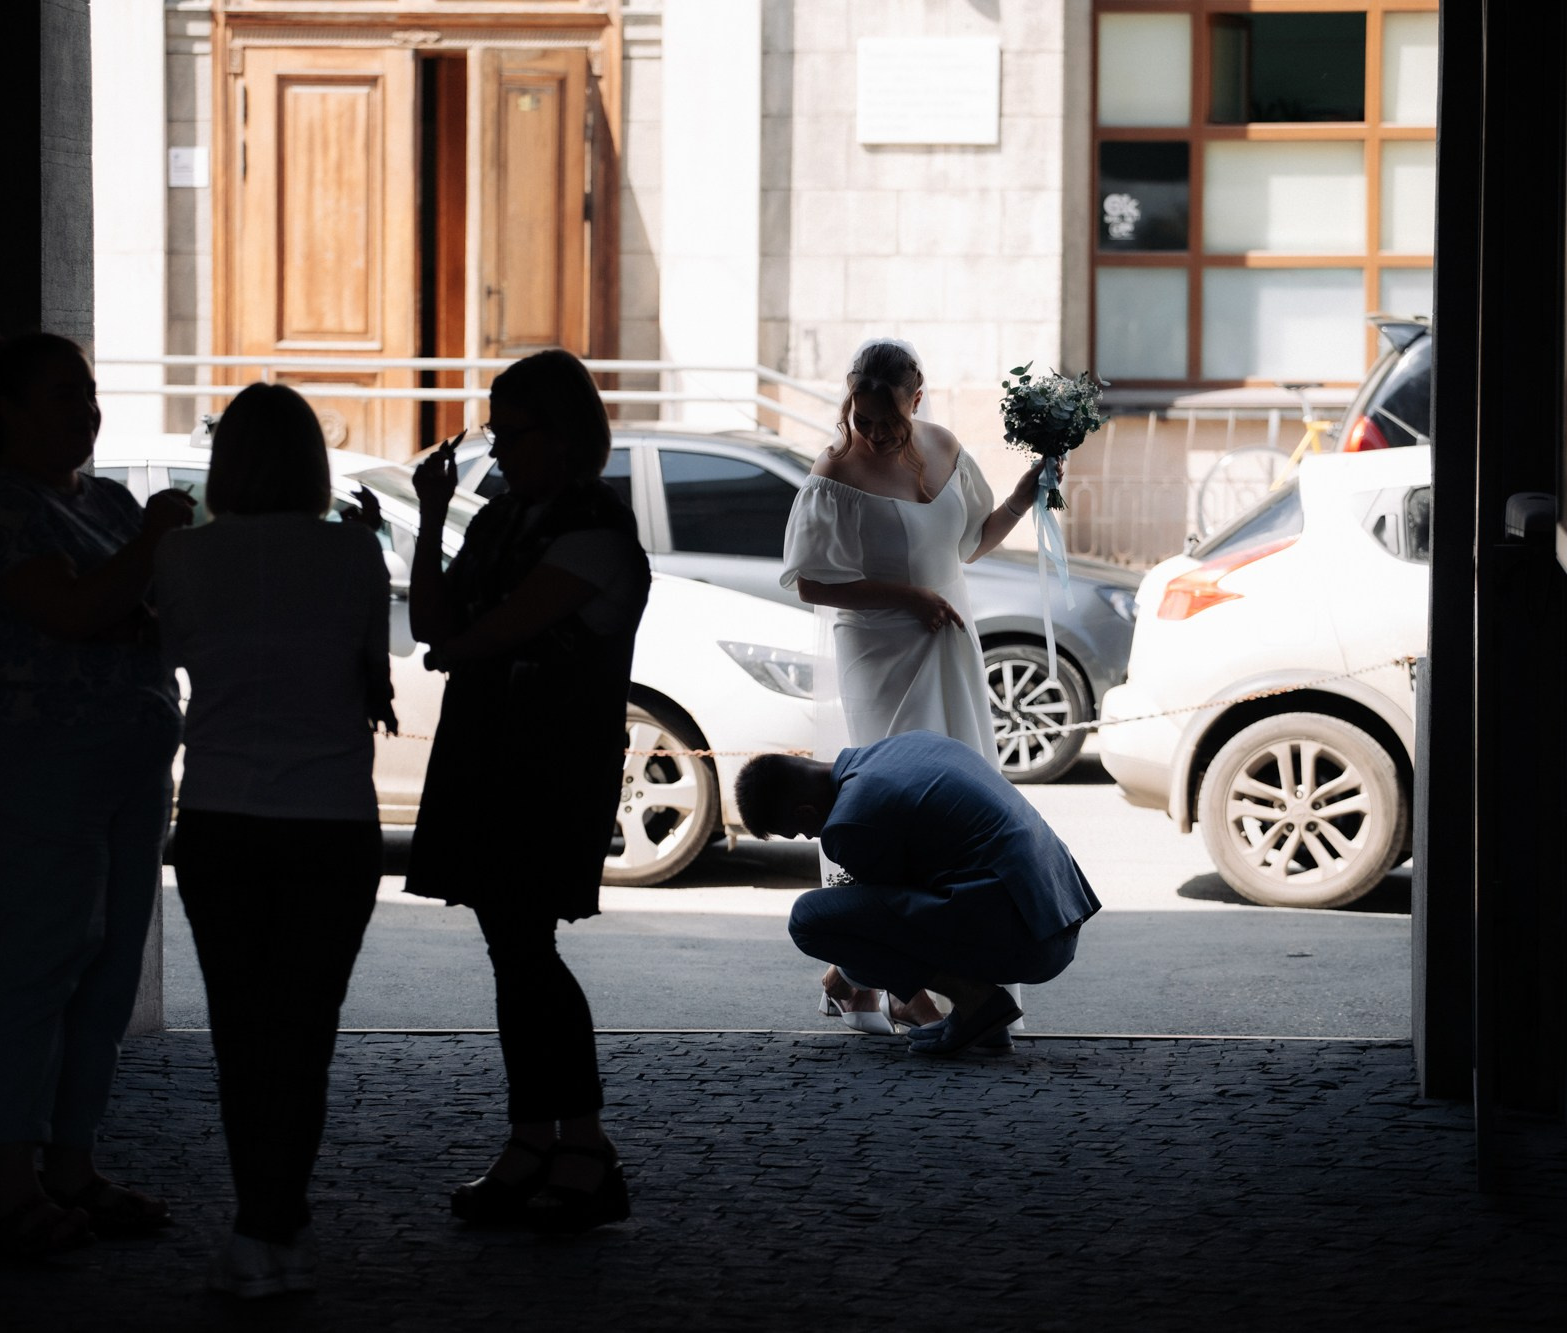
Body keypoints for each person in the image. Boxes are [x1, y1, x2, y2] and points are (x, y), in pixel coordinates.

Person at [0, 332, 194, 1257]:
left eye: (87, 391)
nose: (84, 409)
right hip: (36, 765)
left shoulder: (113, 502)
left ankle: (74, 1164)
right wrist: (155, 550)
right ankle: (14, 1176)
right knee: (44, 958)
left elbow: (151, 615)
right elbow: (76, 611)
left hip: (128, 765)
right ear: (6, 411)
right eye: (59, 394)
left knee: (110, 967)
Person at [152, 383, 396, 1297]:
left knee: (241, 1032)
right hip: (333, 822)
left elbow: (156, 652)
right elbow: (371, 681)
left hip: (220, 817)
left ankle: (264, 1224)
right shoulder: (354, 554)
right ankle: (277, 1220)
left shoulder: (182, 556)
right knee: (305, 1033)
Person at [405, 348, 650, 1234]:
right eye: (498, 432)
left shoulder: (593, 528)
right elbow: (435, 623)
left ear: (565, 433)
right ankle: (541, 1137)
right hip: (490, 749)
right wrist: (432, 517)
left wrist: (460, 643)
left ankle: (576, 1139)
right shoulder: (502, 518)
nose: (500, 449)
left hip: (550, 759)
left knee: (525, 947)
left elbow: (484, 633)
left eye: (515, 431)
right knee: (512, 947)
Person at [780, 338, 1050, 1034]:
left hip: (948, 644)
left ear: (917, 400)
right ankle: (899, 981)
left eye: (887, 421)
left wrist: (1026, 495)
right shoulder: (835, 472)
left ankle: (857, 977)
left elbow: (968, 543)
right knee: (902, 816)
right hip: (881, 653)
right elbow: (810, 578)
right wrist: (905, 597)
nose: (871, 433)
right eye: (861, 418)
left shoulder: (948, 447)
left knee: (959, 806)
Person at [735, 731, 1101, 1056]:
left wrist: (844, 972)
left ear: (804, 810)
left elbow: (881, 927)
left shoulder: (849, 821)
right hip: (1059, 917)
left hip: (1029, 940)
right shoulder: (908, 744)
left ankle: (976, 1001)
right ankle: (984, 1021)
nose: (811, 838)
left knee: (809, 920)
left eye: (800, 832)